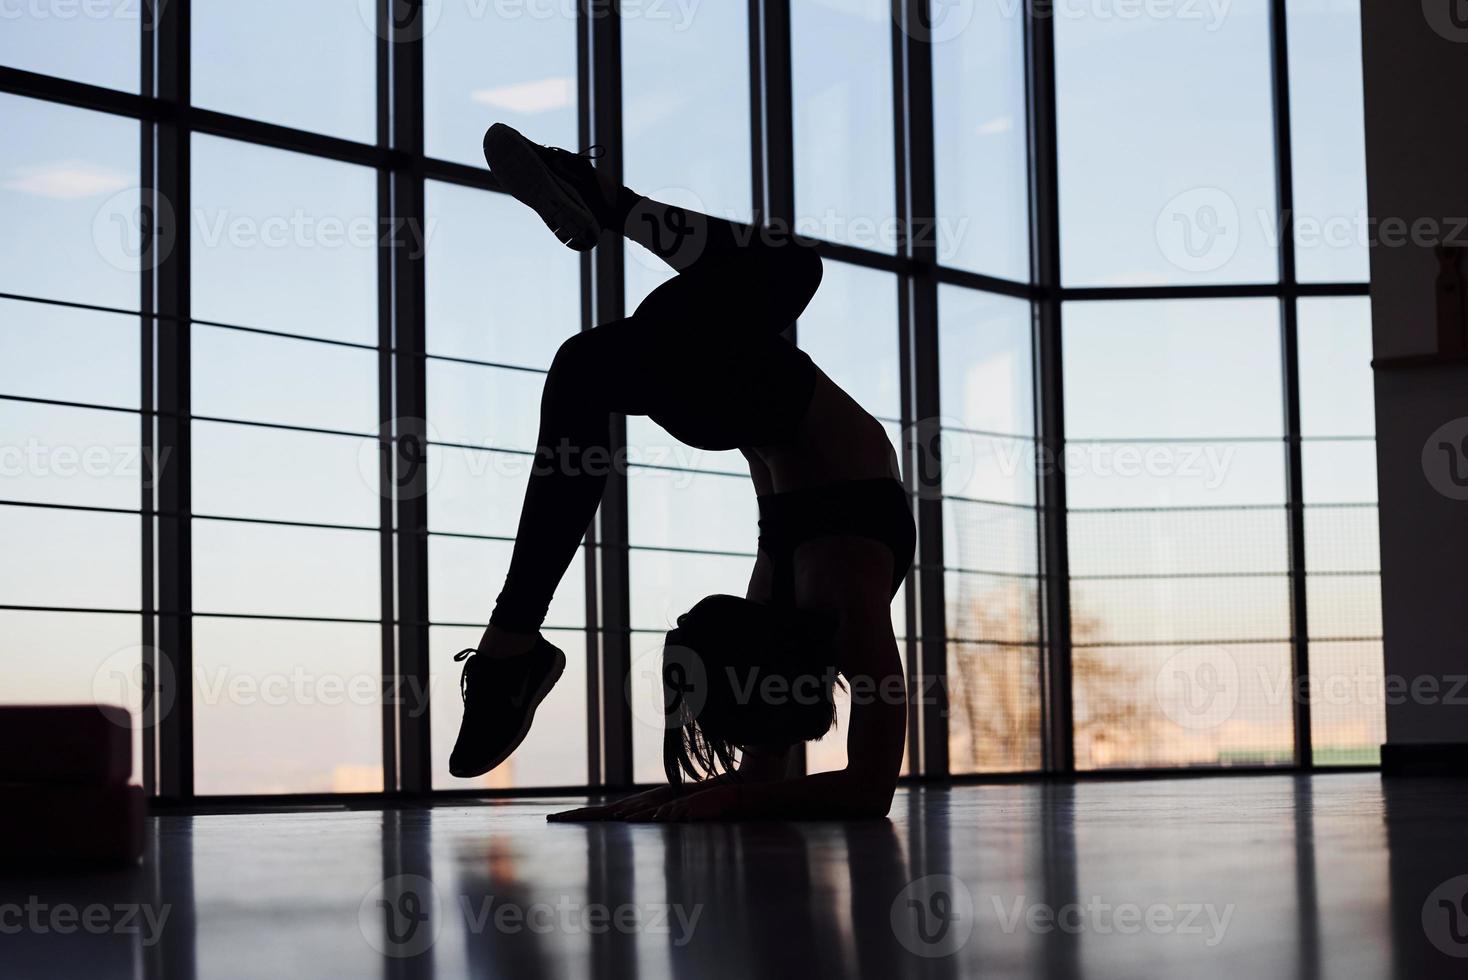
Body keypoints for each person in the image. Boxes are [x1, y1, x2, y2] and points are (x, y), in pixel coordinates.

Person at [451, 123, 914, 821]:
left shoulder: (779, 613)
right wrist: (698, 803)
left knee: (592, 366)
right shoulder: (847, 604)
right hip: (760, 399)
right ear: (763, 670)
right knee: (786, 272)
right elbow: (869, 790)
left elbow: (750, 785)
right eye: (697, 634)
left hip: (737, 409)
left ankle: (513, 645)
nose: (685, 615)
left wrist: (627, 809)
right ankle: (609, 200)